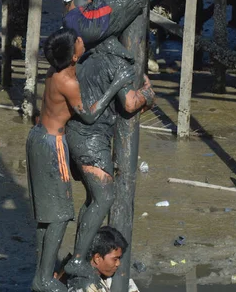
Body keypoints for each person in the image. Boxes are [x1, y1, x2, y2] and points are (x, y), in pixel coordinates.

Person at [27, 28, 136, 292]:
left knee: (47, 215)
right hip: (52, 145)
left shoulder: (54, 72)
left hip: (37, 137)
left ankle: (44, 271)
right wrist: (116, 84)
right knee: (61, 214)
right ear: (74, 56)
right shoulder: (68, 82)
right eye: (78, 42)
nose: (81, 41)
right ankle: (45, 278)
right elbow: (89, 115)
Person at [64, 36, 155, 281]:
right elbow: (130, 103)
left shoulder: (87, 57)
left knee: (94, 198)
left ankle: (79, 256)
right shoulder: (117, 63)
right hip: (91, 140)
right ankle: (77, 259)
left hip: (76, 134)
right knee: (105, 197)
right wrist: (149, 94)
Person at [67, 226, 128, 292]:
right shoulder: (87, 285)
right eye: (115, 259)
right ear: (97, 258)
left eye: (119, 258)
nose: (118, 263)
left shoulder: (96, 277)